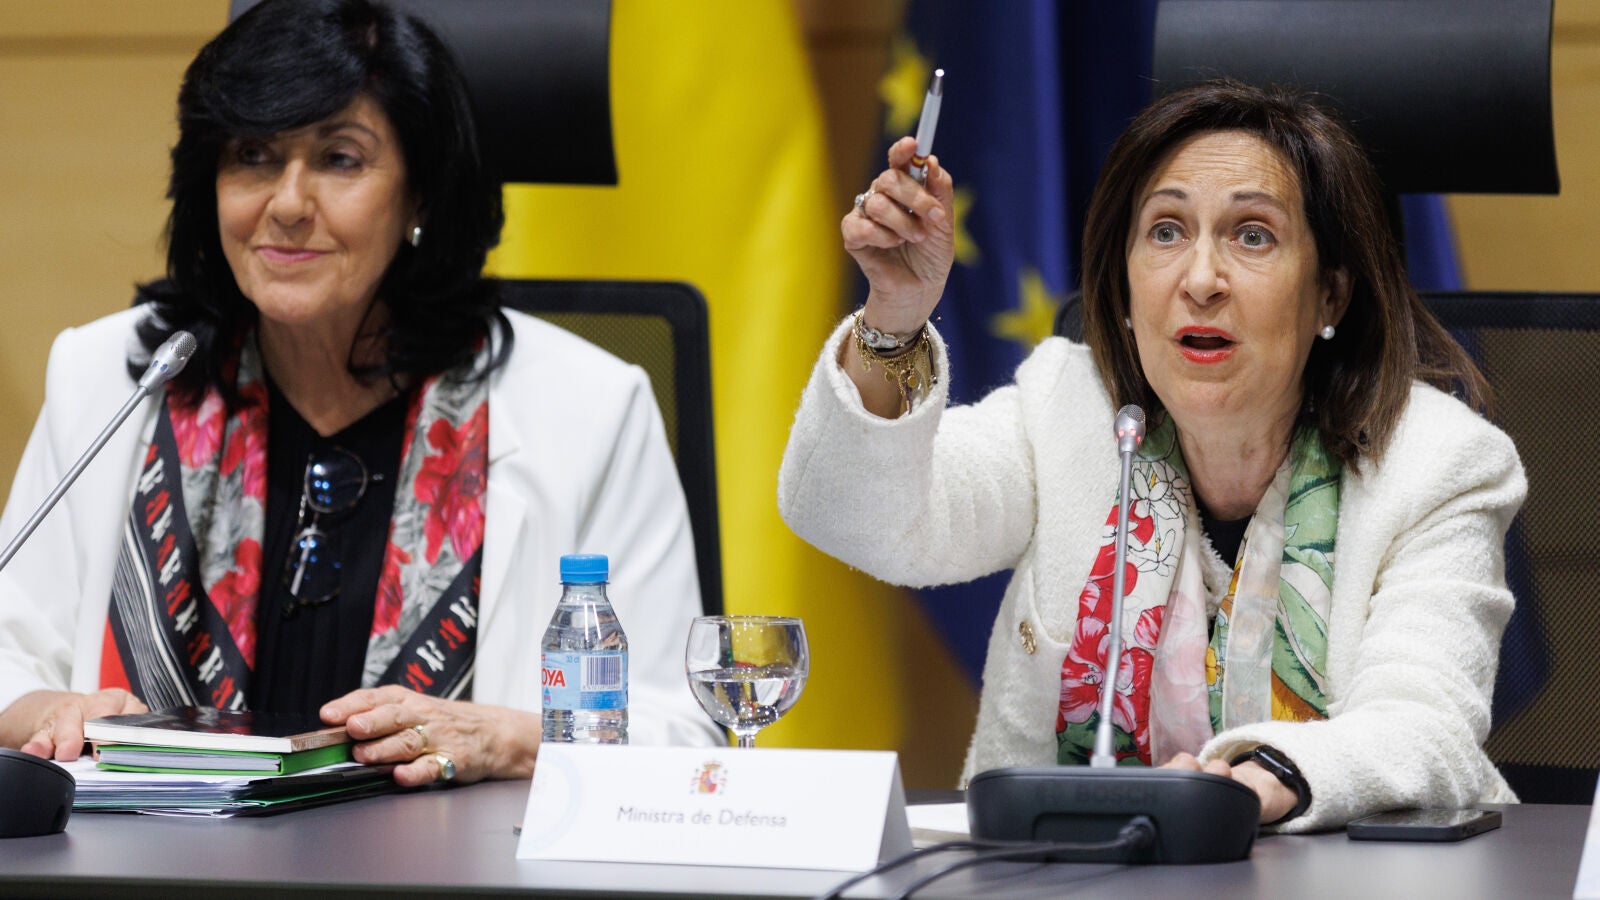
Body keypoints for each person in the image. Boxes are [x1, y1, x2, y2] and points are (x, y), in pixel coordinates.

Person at [0, 0, 718, 785]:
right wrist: (39, 710)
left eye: (340, 159)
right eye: (252, 155)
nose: (286, 203)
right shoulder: (116, 378)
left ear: (420, 196)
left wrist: (508, 740)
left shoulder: (587, 408)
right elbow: (10, 650)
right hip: (155, 848)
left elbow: (681, 735)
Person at [779, 79, 1525, 831]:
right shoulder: (1066, 408)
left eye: (1253, 236)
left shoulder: (1439, 463)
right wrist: (895, 318)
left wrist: (1247, 785)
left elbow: (1425, 725)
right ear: (1127, 288)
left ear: (1330, 295)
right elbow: (857, 518)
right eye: (1166, 232)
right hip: (1063, 873)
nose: (1200, 280)